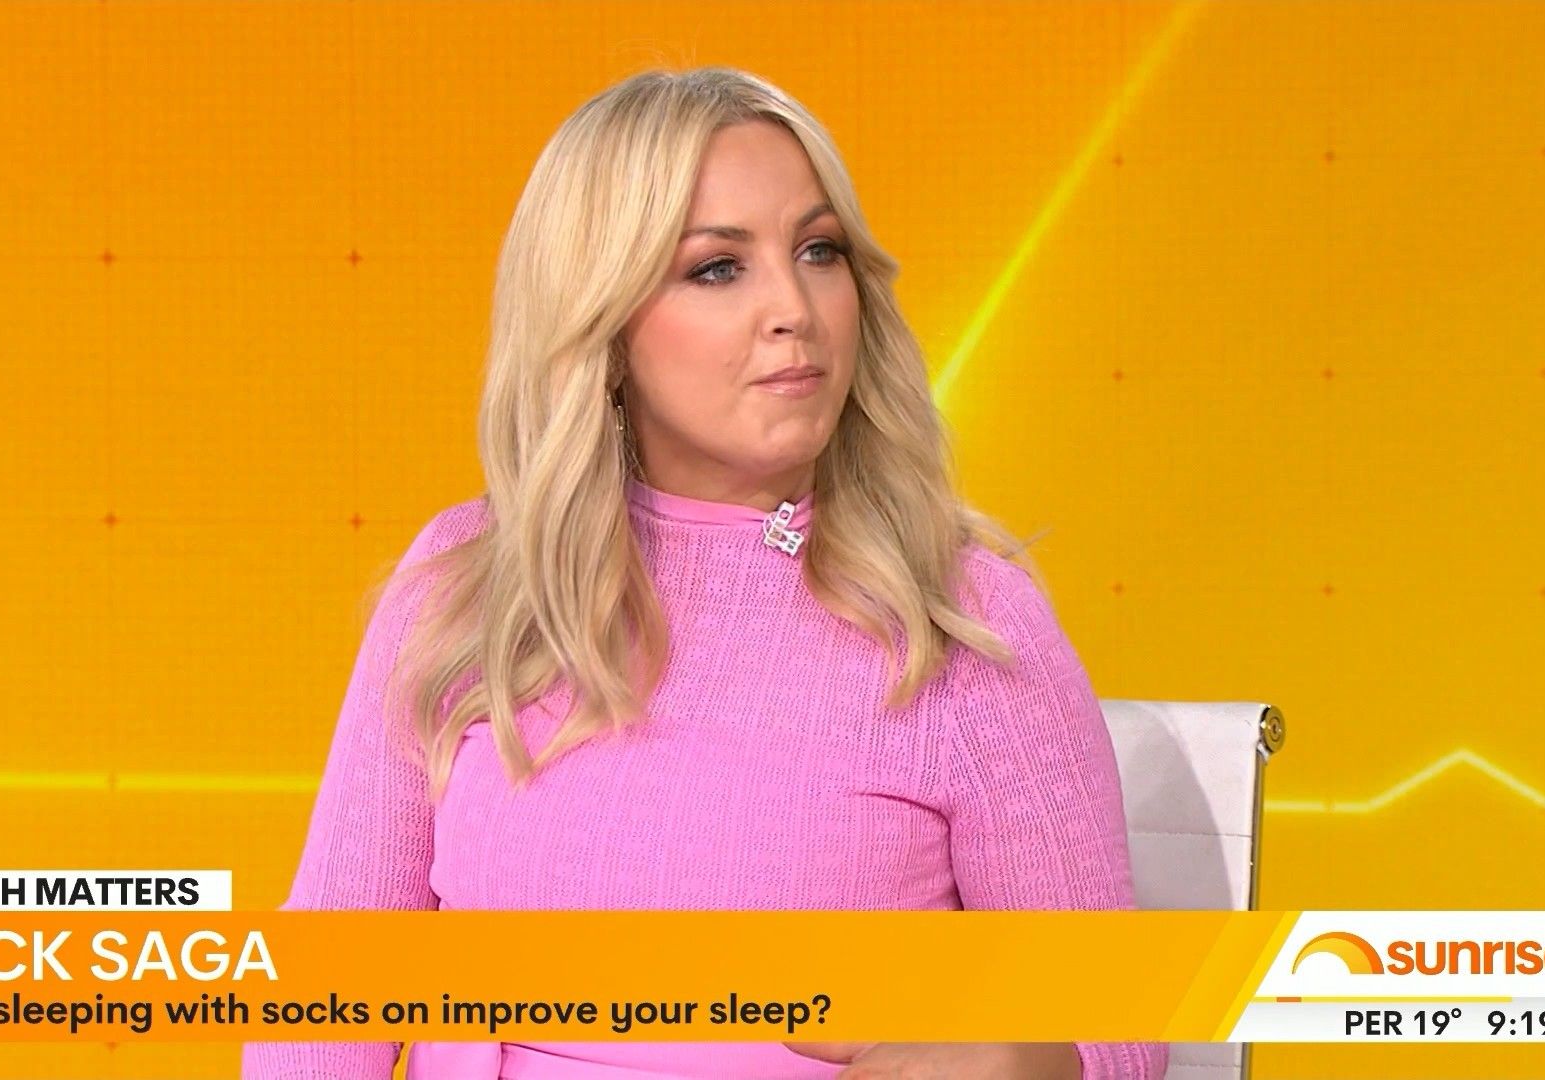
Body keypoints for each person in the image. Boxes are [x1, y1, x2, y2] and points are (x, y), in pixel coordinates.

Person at [243, 66, 1164, 1080]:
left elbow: (1115, 1022)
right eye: (718, 268)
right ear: (601, 324)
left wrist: (1021, 1062)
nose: (795, 309)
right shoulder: (468, 588)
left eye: (819, 251)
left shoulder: (960, 615)